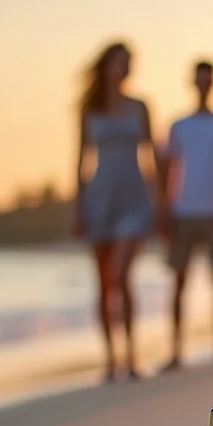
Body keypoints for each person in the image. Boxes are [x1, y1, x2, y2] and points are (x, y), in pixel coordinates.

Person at [74, 41, 156, 383]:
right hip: (99, 197)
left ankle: (133, 355)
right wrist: (79, 205)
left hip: (134, 196)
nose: (124, 68)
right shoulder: (89, 110)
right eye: (119, 62)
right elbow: (80, 158)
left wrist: (159, 198)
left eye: (128, 63)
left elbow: (152, 154)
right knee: (103, 282)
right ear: (105, 66)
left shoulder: (140, 107)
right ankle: (111, 360)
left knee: (121, 275)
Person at [157, 60, 213, 370]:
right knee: (179, 282)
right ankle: (176, 352)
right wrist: (165, 209)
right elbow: (168, 170)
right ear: (192, 82)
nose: (203, 85)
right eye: (199, 80)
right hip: (183, 211)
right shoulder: (178, 126)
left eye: (208, 80)